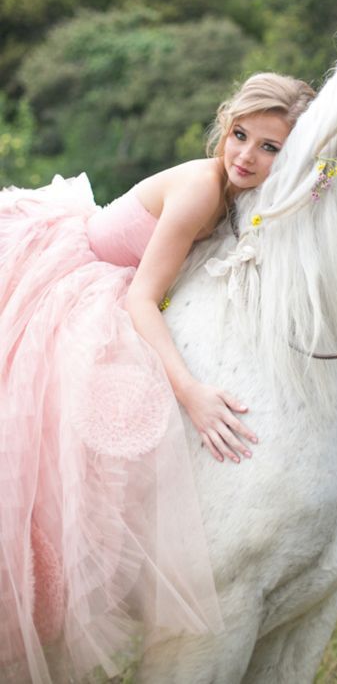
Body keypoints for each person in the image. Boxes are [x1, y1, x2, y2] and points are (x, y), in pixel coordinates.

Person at [0, 72, 315, 684]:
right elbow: (145, 297)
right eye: (240, 136)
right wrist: (191, 392)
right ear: (225, 128)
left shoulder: (245, 194)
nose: (247, 156)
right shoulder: (203, 187)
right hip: (81, 277)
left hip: (128, 280)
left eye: (271, 147)